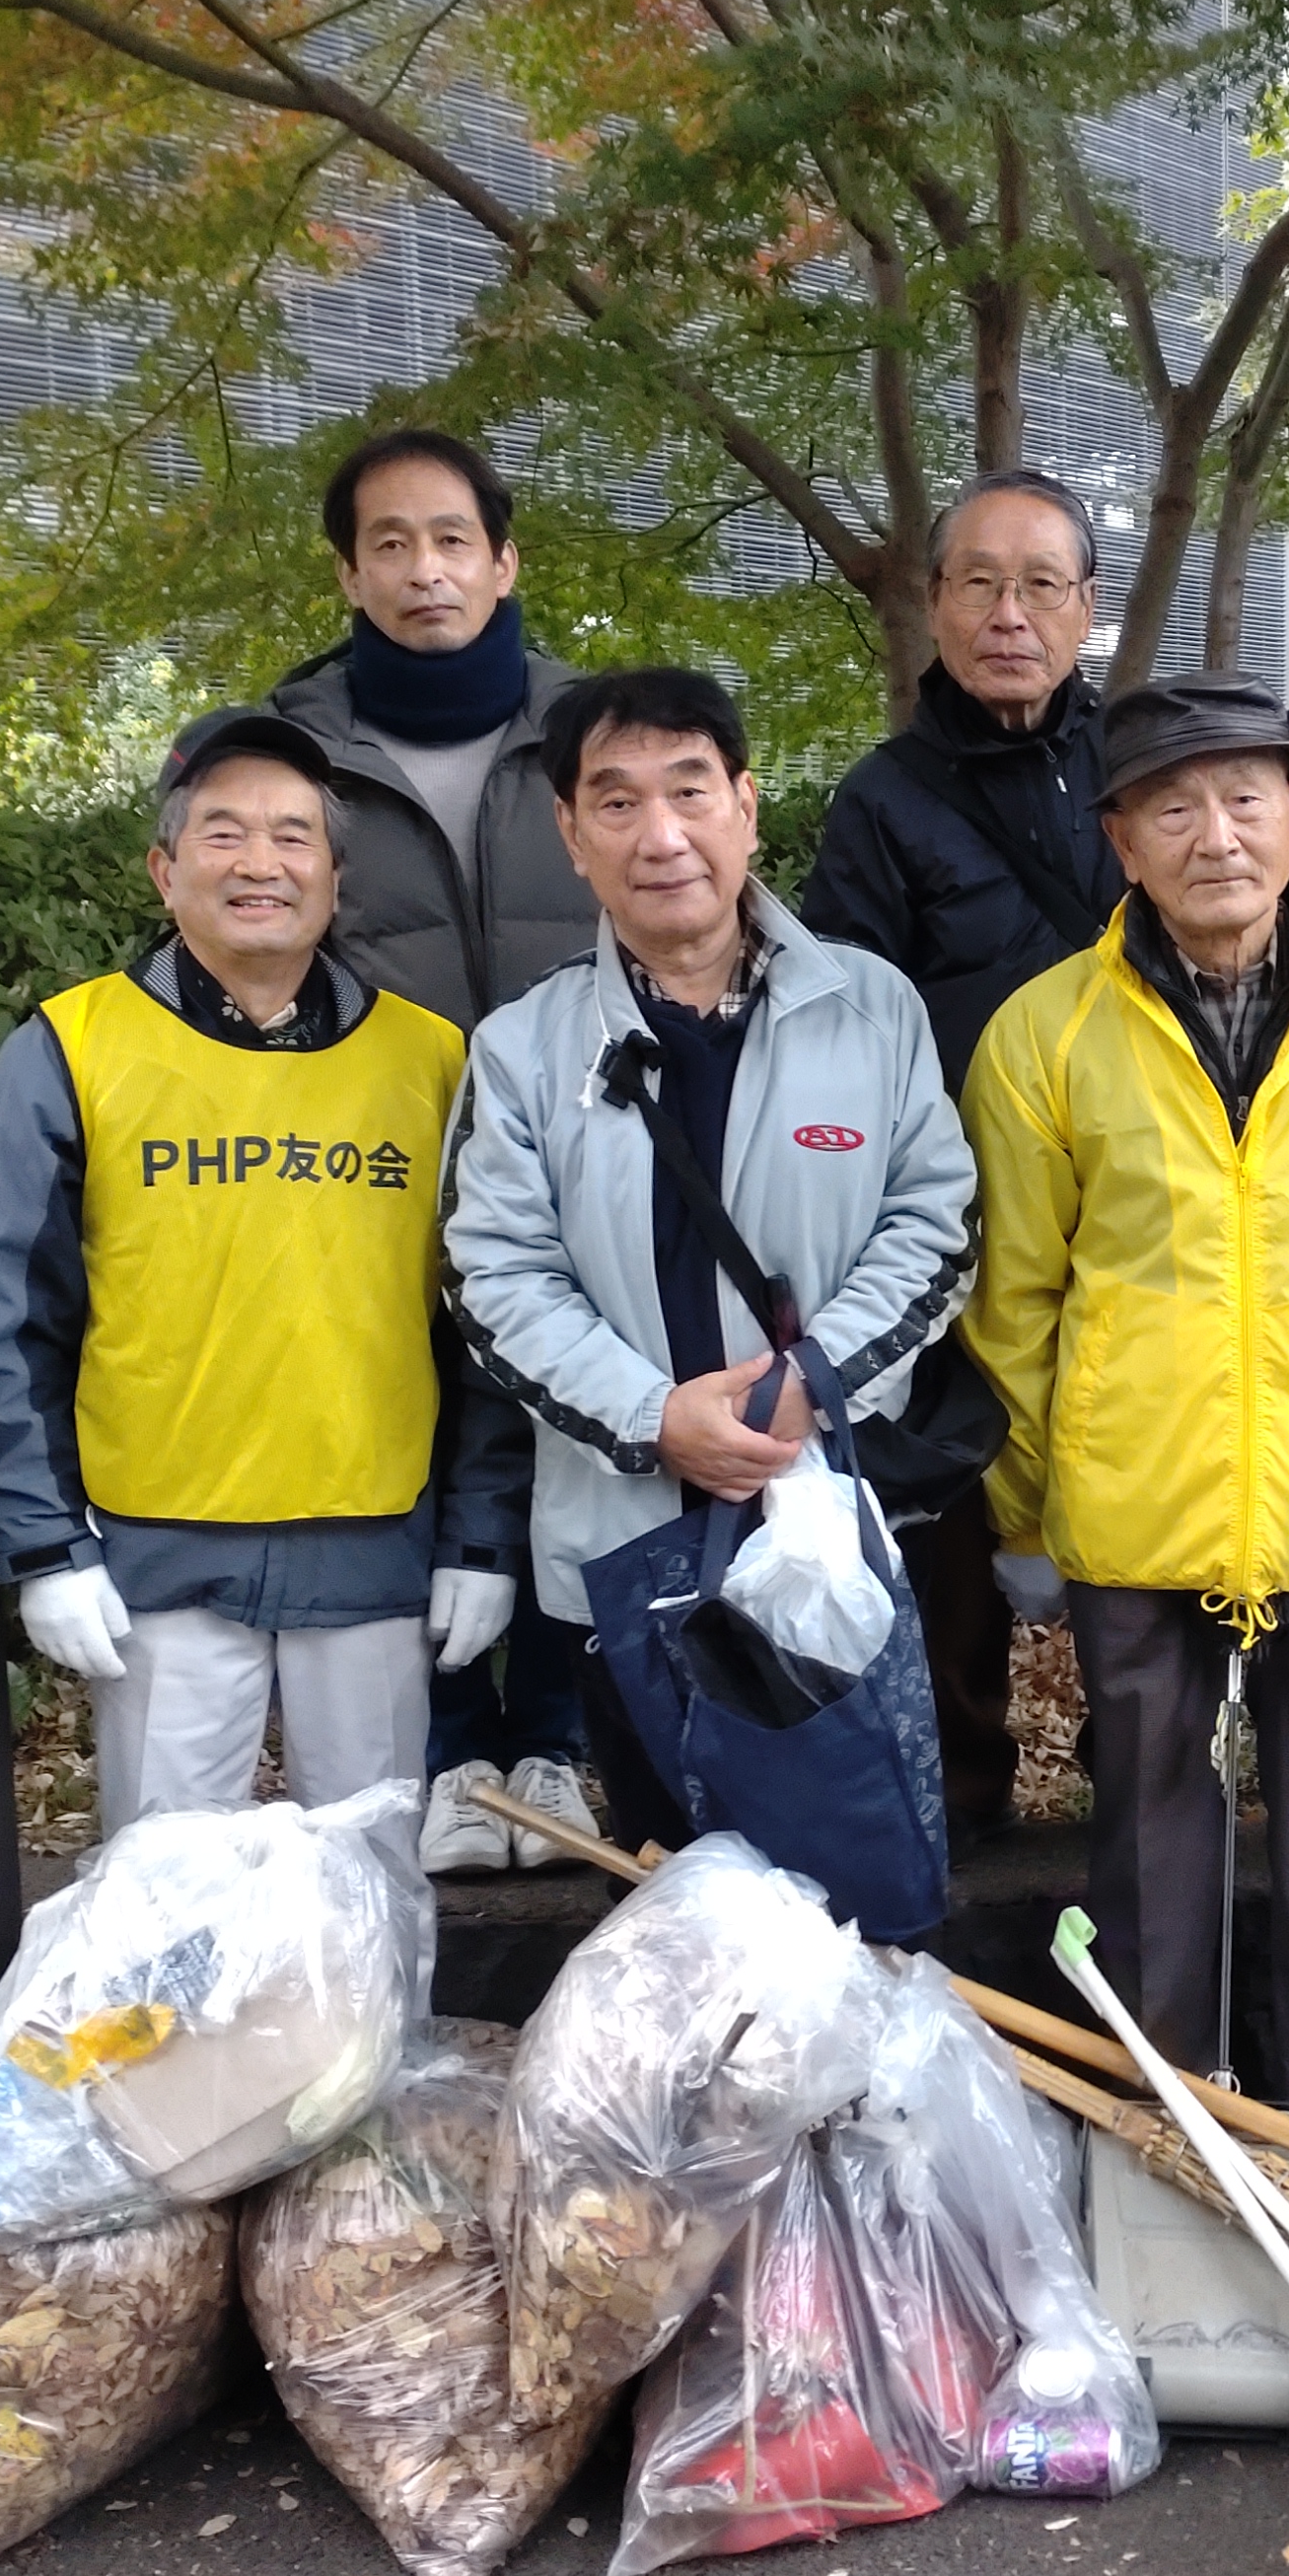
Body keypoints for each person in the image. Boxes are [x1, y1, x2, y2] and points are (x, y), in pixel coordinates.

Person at [963, 674, 1289, 2110]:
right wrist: (1029, 1503)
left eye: (1248, 796)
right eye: (1172, 806)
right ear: (1120, 840)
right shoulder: (1048, 1033)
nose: (1216, 835)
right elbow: (1016, 1298)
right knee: (1147, 1834)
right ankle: (1164, 2112)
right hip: (1133, 1488)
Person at [0, 707, 527, 1834]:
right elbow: (3, 1321)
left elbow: (487, 1323)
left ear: (333, 877)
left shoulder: (432, 1058)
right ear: (165, 872)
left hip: (375, 1551)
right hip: (152, 1558)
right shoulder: (70, 1049)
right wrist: (39, 1545)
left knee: (365, 1903)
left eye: (292, 836)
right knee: (164, 1909)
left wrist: (483, 1535)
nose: (259, 862)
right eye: (222, 834)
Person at [444, 667, 979, 1853]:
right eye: (619, 802)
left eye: (691, 789)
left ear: (744, 803)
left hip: (822, 1522)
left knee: (845, 1881)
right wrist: (651, 1415)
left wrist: (811, 1383)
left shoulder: (871, 1009)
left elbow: (933, 1223)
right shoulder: (523, 1050)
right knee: (672, 1892)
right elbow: (494, 1276)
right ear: (573, 836)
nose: (663, 834)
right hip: (625, 1538)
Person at [270, 426, 601, 1870]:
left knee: (582, 1434)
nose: (425, 570)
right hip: (376, 1157)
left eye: (453, 539)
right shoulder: (290, 752)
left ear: (505, 557)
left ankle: (571, 1749)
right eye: (391, 543)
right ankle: (457, 1751)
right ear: (348, 569)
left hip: (588, 1147)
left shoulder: (593, 732)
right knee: (414, 1439)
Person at [803, 468, 1129, 1836]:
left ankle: (1147, 1818)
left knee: (1130, 1516)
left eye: (1042, 584)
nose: (1010, 614)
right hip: (945, 1224)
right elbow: (840, 1041)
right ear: (934, 603)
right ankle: (957, 1821)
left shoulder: (1148, 773)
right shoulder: (882, 803)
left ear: (1085, 608)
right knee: (940, 1534)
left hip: (1133, 1219)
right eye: (979, 583)